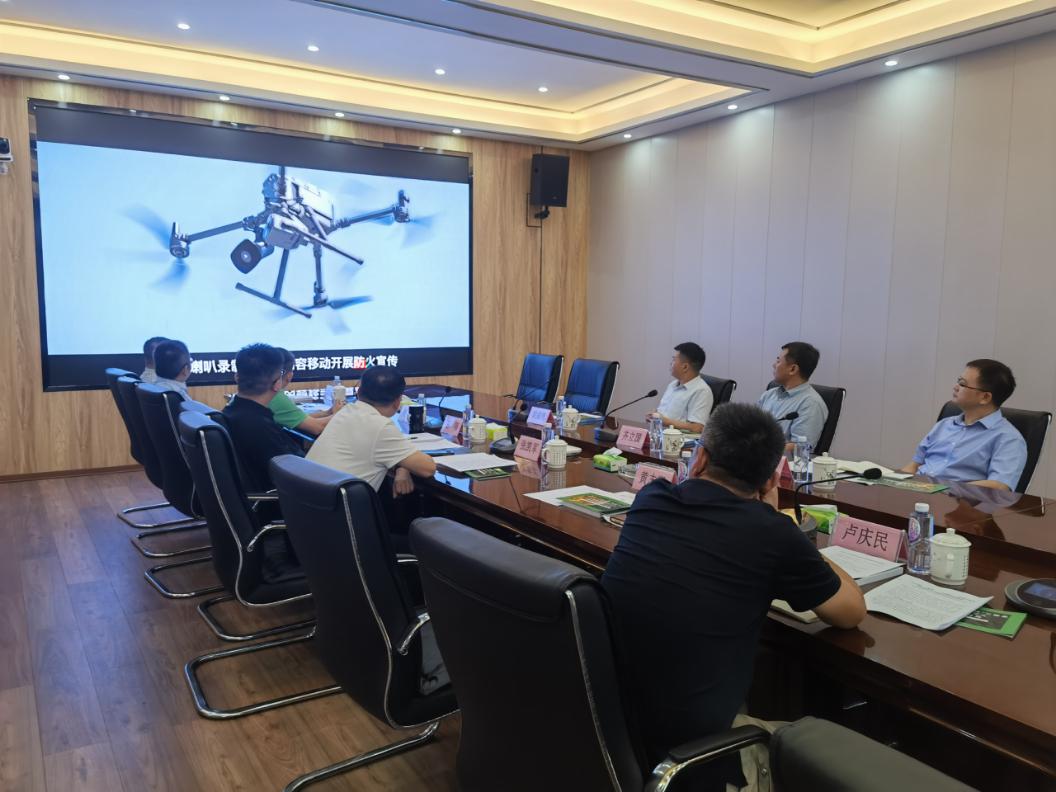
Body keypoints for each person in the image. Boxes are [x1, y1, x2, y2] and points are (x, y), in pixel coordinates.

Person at [602, 403, 865, 789]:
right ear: (770, 481)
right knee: (841, 761)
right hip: (694, 761)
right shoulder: (772, 534)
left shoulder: (652, 498)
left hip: (610, 731)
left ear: (700, 459)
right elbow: (851, 611)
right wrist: (787, 527)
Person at [308, 365, 436, 494]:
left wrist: (402, 466)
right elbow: (427, 468)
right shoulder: (380, 426)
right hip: (340, 503)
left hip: (311, 498)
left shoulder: (346, 411)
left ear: (359, 393)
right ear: (398, 402)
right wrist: (403, 465)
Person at [901, 359, 1026, 491]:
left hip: (957, 500)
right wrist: (895, 483)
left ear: (985, 397)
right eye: (958, 381)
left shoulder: (1008, 439)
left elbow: (999, 486)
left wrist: (943, 489)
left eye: (962, 384)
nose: (955, 387)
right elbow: (914, 465)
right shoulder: (944, 425)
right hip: (917, 493)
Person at [222, 343, 305, 491]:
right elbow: (297, 474)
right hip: (283, 498)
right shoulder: (259, 427)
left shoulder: (230, 412)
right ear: (277, 384)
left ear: (237, 377)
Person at [757, 341, 828, 449]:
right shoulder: (769, 395)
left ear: (793, 369)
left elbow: (801, 447)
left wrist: (760, 449)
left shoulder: (810, 404)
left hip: (779, 459)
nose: (774, 365)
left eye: (778, 361)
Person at [268, 348, 336, 436]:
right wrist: (340, 414)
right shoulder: (275, 396)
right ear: (289, 376)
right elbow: (318, 427)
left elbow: (299, 419)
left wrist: (328, 413)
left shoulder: (260, 390)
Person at [653, 342, 712, 432]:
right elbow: (663, 414)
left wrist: (666, 422)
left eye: (674, 360)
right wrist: (654, 415)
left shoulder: (702, 391)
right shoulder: (672, 385)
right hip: (660, 435)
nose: (671, 363)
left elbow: (697, 427)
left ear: (685, 367)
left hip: (679, 439)